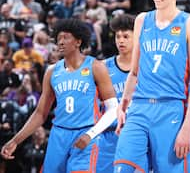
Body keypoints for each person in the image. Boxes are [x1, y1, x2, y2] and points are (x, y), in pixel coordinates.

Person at [114, 0, 190, 172]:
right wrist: (123, 106)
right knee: (123, 168)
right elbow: (135, 71)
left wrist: (188, 126)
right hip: (139, 107)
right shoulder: (142, 20)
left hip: (171, 108)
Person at [0, 19, 118, 173]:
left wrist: (91, 134)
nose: (60, 42)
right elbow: (40, 113)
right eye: (59, 38)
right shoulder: (51, 71)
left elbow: (113, 108)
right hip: (58, 135)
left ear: (78, 41)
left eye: (66, 37)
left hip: (86, 133)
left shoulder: (95, 67)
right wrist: (16, 140)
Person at [97, 14, 135, 173]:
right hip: (108, 137)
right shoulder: (103, 67)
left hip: (136, 135)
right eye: (118, 36)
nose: (121, 40)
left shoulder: (147, 66)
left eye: (126, 36)